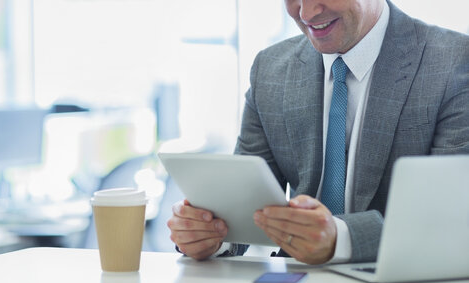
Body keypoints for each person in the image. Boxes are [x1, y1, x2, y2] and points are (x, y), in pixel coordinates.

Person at [167, 0, 469, 264]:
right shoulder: (270, 69)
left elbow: (451, 220)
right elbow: (246, 205)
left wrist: (340, 239)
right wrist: (212, 235)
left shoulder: (452, 62)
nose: (306, 11)